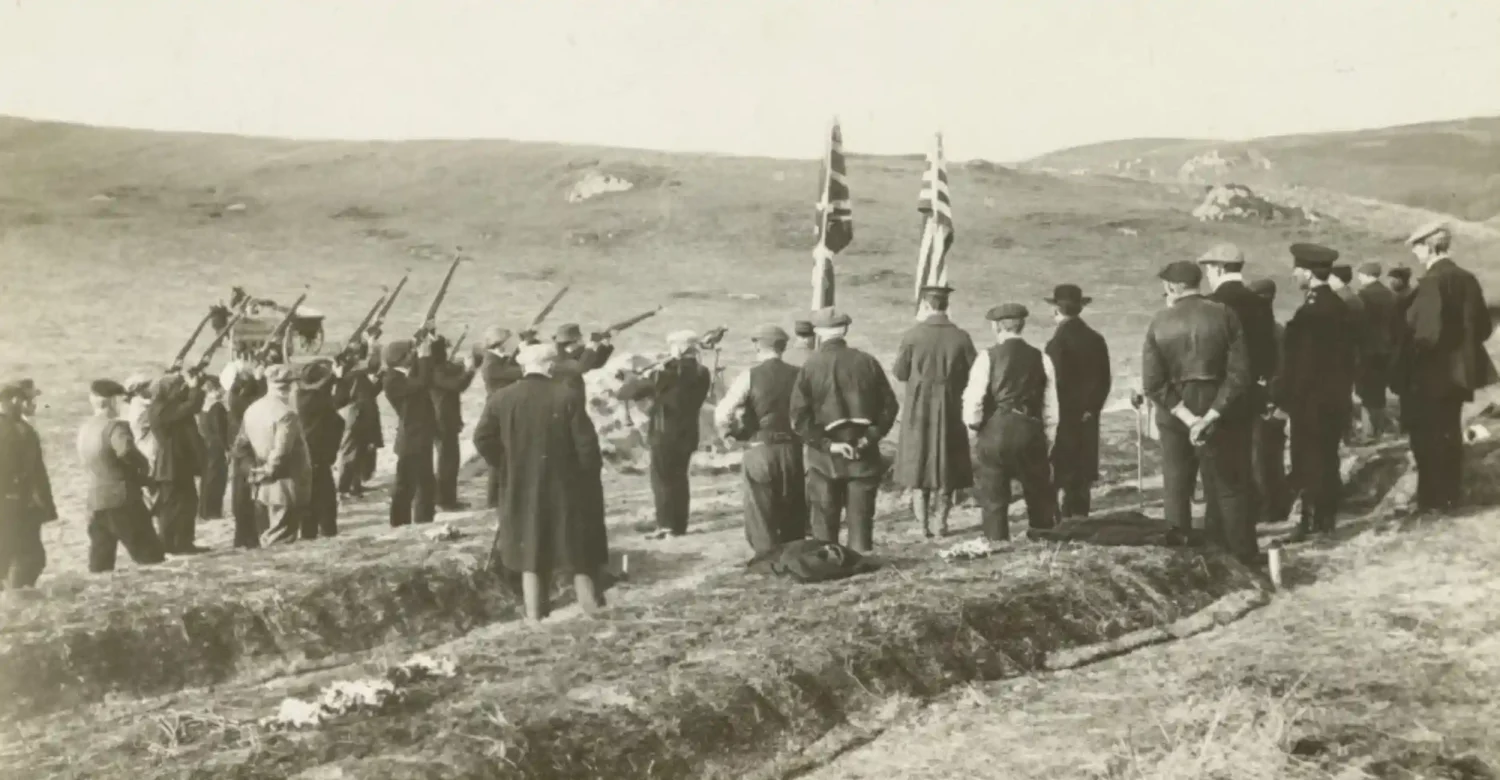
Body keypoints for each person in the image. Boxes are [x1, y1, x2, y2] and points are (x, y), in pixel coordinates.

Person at [472, 343, 608, 622]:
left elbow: (482, 438)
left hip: (520, 485)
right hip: (565, 485)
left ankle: (534, 617)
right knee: (577, 551)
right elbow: (587, 448)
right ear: (549, 366)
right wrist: (586, 479)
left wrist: (506, 463)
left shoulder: (501, 398)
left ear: (524, 367)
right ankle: (591, 609)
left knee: (529, 551)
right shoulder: (567, 396)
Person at [1141, 260, 1257, 564]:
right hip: (1219, 409)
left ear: (1173, 288)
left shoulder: (1159, 321)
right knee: (1230, 486)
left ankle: (1180, 561)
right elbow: (1240, 374)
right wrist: (1211, 414)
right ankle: (1242, 558)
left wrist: (1188, 417)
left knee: (1177, 486)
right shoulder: (1224, 314)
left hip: (1175, 415)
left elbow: (1153, 383)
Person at [1398, 220, 1497, 515]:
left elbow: (1425, 335)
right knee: (1449, 433)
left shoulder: (1432, 282)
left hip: (1430, 374)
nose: (1415, 253)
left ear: (1429, 246)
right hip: (1459, 374)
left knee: (1427, 436)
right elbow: (1482, 326)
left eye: (1417, 247)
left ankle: (1431, 501)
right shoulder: (1467, 279)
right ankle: (1451, 498)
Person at [790, 307, 900, 553]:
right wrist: (869, 438)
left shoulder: (810, 366)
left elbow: (799, 418)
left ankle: (827, 565)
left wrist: (829, 445)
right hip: (863, 454)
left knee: (824, 526)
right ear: (846, 330)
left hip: (824, 459)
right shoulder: (867, 362)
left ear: (818, 332)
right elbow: (890, 407)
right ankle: (860, 564)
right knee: (861, 523)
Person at [1273, 243, 1357, 541]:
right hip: (1336, 398)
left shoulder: (1309, 314)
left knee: (1309, 461)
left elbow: (1301, 367)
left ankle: (1311, 524)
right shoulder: (1340, 307)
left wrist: (1284, 400)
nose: (1294, 274)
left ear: (1307, 273)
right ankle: (1326, 520)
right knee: (1328, 458)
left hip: (1311, 402)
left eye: (1297, 270)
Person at [1197, 244, 1277, 535]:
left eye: (1208, 269)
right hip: (1249, 397)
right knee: (1243, 466)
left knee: (1215, 474)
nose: (1207, 274)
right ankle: (1243, 533)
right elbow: (1269, 356)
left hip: (1216, 398)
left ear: (1218, 268)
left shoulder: (1210, 304)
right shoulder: (1258, 303)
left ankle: (1220, 536)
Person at [963, 303, 1059, 541]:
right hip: (1030, 430)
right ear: (1022, 326)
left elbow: (973, 401)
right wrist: (1048, 438)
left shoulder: (987, 357)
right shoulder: (1042, 358)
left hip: (996, 432)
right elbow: (1051, 407)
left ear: (996, 327)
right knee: (1038, 494)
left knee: (994, 499)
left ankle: (997, 544)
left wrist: (976, 428)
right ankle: (1043, 540)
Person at [714, 325, 808, 553]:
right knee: (793, 503)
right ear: (783, 347)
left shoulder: (749, 375)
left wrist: (727, 435)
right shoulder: (800, 374)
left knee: (760, 507)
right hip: (792, 448)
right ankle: (793, 554)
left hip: (760, 447)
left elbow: (722, 412)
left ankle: (766, 556)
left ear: (758, 346)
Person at [619, 330, 714, 539]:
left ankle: (666, 526)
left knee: (662, 479)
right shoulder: (702, 372)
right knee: (680, 478)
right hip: (689, 431)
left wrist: (635, 376)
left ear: (678, 348)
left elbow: (626, 393)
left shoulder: (664, 373)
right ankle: (679, 525)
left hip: (663, 431)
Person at [78, 379, 166, 573]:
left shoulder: (85, 429)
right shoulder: (115, 427)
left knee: (100, 562)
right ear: (112, 401)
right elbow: (126, 451)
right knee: (150, 555)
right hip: (124, 499)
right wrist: (144, 468)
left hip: (96, 501)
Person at [1042, 284, 1112, 519]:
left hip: (1064, 415)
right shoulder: (1096, 339)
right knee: (1083, 470)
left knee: (1063, 469)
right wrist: (1091, 408)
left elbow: (1053, 384)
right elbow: (1104, 381)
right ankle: (1082, 517)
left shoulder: (1056, 343)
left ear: (1057, 311)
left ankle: (1065, 518)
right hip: (1087, 415)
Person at [234, 365, 311, 544]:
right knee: (280, 541)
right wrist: (267, 471)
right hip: (284, 485)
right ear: (290, 386)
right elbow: (281, 453)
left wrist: (253, 471)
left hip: (261, 489)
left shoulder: (252, 409)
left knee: (267, 535)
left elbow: (240, 447)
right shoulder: (287, 414)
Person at [0, 381, 56, 593]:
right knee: (30, 558)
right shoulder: (19, 430)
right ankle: (17, 600)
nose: (33, 405)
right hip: (17, 505)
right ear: (15, 400)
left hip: (10, 504)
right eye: (30, 400)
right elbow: (34, 473)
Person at [1247, 278, 1292, 525]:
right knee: (1271, 457)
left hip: (1265, 403)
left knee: (1260, 459)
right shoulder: (1278, 330)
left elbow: (1278, 371)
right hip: (1275, 403)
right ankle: (1277, 505)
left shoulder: (1264, 332)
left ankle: (1267, 509)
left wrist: (1270, 400)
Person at [149, 370, 208, 555]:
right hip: (171, 466)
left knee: (186, 504)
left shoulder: (164, 406)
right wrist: (194, 388)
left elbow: (188, 405)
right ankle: (171, 544)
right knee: (173, 507)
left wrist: (193, 386)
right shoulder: (161, 410)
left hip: (176, 465)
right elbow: (190, 406)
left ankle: (182, 542)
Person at [384, 338, 439, 526]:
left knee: (426, 483)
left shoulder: (403, 375)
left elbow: (422, 378)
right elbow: (423, 382)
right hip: (410, 439)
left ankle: (424, 520)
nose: (414, 355)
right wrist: (424, 358)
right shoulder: (392, 379)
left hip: (419, 436)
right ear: (401, 358)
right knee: (405, 485)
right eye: (410, 353)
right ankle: (399, 523)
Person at [220, 359, 268, 547]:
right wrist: (260, 380)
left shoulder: (234, 395)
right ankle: (250, 535)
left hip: (240, 447)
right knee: (248, 492)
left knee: (242, 492)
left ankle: (243, 536)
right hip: (246, 447)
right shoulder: (240, 396)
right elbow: (259, 402)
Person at [297, 361, 347, 538]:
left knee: (309, 503)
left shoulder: (302, 395)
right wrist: (339, 378)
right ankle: (326, 533)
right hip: (317, 456)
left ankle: (309, 534)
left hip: (307, 457)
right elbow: (340, 402)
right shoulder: (315, 401)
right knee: (325, 502)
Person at [430, 336, 478, 511]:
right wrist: (470, 369)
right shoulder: (436, 370)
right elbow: (458, 384)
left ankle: (447, 498)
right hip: (442, 421)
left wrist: (467, 366)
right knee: (447, 462)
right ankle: (444, 501)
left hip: (445, 419)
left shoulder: (437, 367)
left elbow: (454, 372)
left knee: (450, 461)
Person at [478, 326, 523, 509]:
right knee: (499, 458)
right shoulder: (491, 364)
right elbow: (515, 372)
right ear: (501, 343)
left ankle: (498, 498)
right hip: (498, 413)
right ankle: (494, 501)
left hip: (501, 410)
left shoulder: (497, 359)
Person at [335, 340, 383, 499]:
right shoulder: (351, 374)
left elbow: (370, 391)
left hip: (362, 416)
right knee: (350, 452)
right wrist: (373, 344)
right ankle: (343, 488)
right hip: (355, 416)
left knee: (360, 452)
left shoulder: (352, 373)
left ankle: (354, 485)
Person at [1355, 261, 1398, 437]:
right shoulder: (1389, 295)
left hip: (1367, 349)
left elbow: (1360, 323)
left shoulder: (1363, 295)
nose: (1358, 277)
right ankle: (1379, 427)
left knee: (1366, 391)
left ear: (1366, 275)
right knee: (1378, 389)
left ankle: (1370, 431)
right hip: (1387, 348)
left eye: (1360, 274)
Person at [1329, 263, 1367, 441]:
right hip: (1352, 353)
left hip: (1338, 355)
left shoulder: (1340, 299)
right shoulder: (1354, 298)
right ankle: (1347, 431)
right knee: (1344, 393)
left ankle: (1343, 433)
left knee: (1337, 395)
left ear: (1336, 278)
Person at [196, 377, 231, 521]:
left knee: (207, 478)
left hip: (206, 445)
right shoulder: (217, 407)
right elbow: (220, 430)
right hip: (216, 446)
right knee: (217, 478)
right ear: (216, 389)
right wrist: (227, 449)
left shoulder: (204, 406)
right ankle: (213, 511)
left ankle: (204, 510)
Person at [551, 323, 615, 397]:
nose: (582, 341)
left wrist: (605, 342)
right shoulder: (559, 360)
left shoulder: (574, 352)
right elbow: (581, 368)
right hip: (564, 397)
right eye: (579, 339)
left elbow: (596, 364)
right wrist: (592, 346)